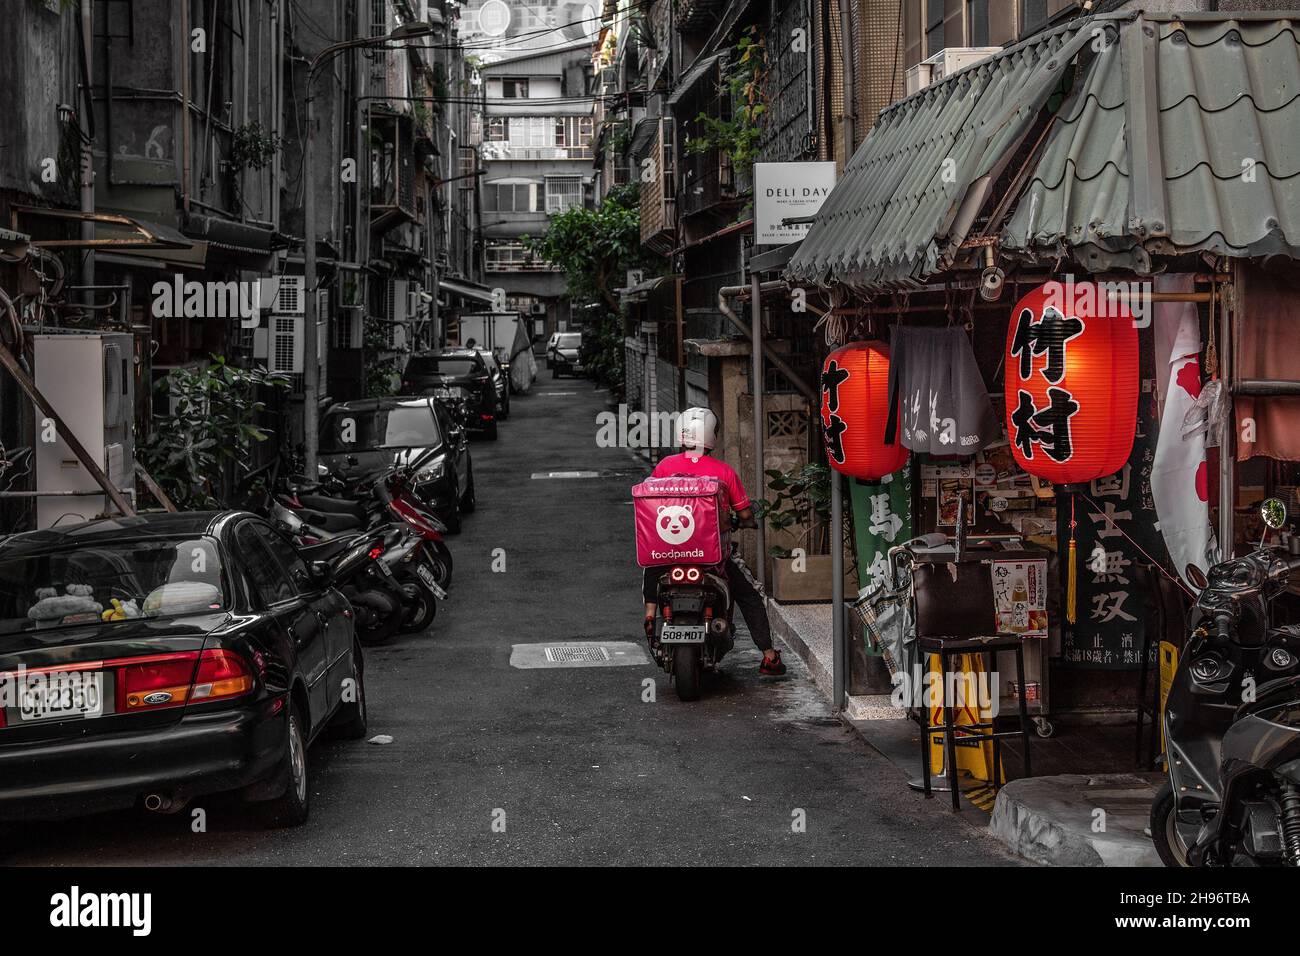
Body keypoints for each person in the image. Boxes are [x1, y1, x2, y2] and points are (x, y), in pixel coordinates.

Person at [642, 407, 786, 676]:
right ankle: (768, 656)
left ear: (682, 434)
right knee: (749, 595)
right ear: (711, 437)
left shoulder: (664, 467)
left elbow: (649, 501)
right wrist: (747, 521)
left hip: (670, 554)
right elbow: (744, 514)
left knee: (652, 565)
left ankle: (650, 615)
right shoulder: (724, 472)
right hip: (712, 556)